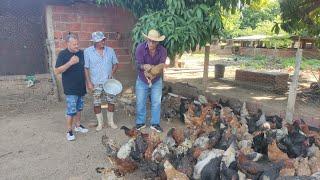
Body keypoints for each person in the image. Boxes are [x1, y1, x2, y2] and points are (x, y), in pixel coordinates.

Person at [55, 33, 88, 141]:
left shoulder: (81, 53)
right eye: (74, 44)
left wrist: (88, 82)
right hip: (70, 88)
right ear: (68, 43)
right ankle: (69, 131)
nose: (77, 46)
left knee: (79, 108)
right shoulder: (62, 54)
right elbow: (57, 71)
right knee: (71, 110)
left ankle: (78, 126)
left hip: (81, 86)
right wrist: (70, 63)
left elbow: (84, 69)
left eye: (77, 44)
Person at [84, 31, 119, 131]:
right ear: (95, 42)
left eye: (104, 39)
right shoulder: (88, 52)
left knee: (111, 102)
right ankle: (100, 123)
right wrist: (89, 82)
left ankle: (111, 122)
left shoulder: (110, 50)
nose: (103, 41)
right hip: (96, 82)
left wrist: (112, 73)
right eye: (101, 40)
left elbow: (116, 64)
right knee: (97, 103)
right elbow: (86, 68)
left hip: (109, 83)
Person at [135, 29, 167, 132]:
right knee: (140, 102)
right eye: (150, 40)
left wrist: (153, 71)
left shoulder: (162, 50)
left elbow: (162, 65)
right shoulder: (140, 48)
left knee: (156, 102)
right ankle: (140, 122)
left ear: (158, 42)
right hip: (142, 79)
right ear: (147, 39)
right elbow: (137, 64)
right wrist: (144, 66)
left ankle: (155, 123)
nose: (151, 43)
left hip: (156, 79)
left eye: (154, 41)